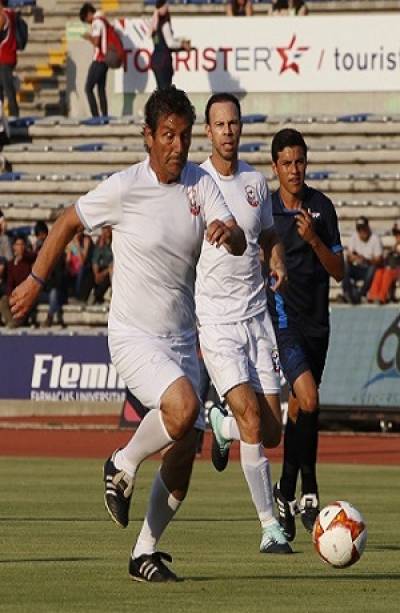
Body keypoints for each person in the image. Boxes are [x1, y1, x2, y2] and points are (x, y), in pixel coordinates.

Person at [9, 86, 246, 582]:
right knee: (180, 410)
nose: (178, 146)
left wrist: (231, 234)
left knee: (182, 459)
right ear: (148, 137)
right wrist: (35, 280)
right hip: (134, 336)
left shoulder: (200, 182)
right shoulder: (124, 187)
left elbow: (235, 231)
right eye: (167, 136)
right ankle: (121, 461)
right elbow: (69, 221)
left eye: (183, 136)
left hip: (183, 337)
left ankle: (144, 553)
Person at [196, 93, 291, 554]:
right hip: (217, 323)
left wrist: (276, 259)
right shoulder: (195, 184)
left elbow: (268, 233)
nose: (228, 131)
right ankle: (269, 526)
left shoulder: (255, 182)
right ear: (208, 132)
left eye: (234, 123)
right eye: (220, 124)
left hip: (257, 318)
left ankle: (220, 424)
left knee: (272, 430)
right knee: (253, 418)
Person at [267, 128, 344, 542]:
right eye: (287, 163)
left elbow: (339, 271)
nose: (295, 170)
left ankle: (284, 487)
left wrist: (313, 240)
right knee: (309, 398)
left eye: (300, 162)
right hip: (285, 322)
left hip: (319, 323)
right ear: (275, 167)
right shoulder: (267, 211)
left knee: (301, 409)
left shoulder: (322, 208)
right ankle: (309, 488)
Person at [342, 216, 384, 305]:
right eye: (359, 229)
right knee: (345, 265)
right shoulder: (354, 237)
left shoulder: (375, 238)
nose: (362, 232)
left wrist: (366, 260)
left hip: (368, 269)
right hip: (356, 267)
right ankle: (347, 293)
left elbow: (379, 260)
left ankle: (361, 294)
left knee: (373, 268)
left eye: (364, 229)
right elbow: (349, 256)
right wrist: (354, 258)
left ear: (368, 228)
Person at [150, 0, 190, 90]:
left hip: (155, 60)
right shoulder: (164, 23)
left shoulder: (154, 23)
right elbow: (170, 43)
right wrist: (182, 44)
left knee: (160, 89)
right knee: (165, 90)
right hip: (164, 61)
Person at [79, 3, 109, 117]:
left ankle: (95, 116)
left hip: (99, 60)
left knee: (88, 88)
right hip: (105, 60)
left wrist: (87, 36)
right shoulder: (103, 20)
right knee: (101, 89)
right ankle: (104, 116)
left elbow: (96, 42)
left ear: (89, 14)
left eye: (87, 20)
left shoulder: (97, 22)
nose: (88, 23)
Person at [0, 234, 35, 327]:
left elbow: (35, 255)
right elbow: (9, 283)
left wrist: (24, 255)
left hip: (25, 293)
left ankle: (16, 322)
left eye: (22, 244)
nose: (20, 246)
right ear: (14, 246)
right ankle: (11, 322)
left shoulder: (28, 260)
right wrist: (10, 295)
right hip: (14, 294)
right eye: (18, 244)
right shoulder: (11, 264)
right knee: (4, 300)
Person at [367, 223, 400, 304]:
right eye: (396, 234)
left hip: (397, 269)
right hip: (393, 267)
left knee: (388, 273)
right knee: (379, 271)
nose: (397, 236)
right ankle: (373, 295)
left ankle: (382, 297)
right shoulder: (395, 245)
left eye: (399, 233)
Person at [0, 0, 19, 118]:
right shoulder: (10, 14)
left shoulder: (3, 16)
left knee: (7, 89)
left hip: (5, 58)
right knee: (3, 88)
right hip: (7, 56)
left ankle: (14, 116)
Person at [91, 225, 112, 303]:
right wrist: (96, 274)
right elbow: (95, 260)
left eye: (107, 229)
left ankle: (97, 295)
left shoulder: (114, 244)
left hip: (110, 269)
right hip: (101, 268)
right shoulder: (100, 243)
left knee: (107, 277)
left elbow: (114, 263)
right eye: (104, 229)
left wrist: (103, 273)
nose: (105, 231)